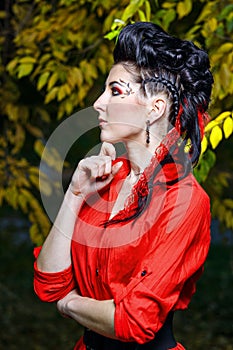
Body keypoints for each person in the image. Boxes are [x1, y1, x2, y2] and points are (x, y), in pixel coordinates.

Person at [34, 22, 214, 350]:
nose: (99, 104)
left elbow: (134, 321)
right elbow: (49, 282)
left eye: (115, 91)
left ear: (154, 109)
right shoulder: (104, 180)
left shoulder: (185, 201)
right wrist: (75, 193)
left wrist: (68, 304)